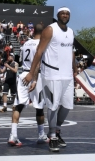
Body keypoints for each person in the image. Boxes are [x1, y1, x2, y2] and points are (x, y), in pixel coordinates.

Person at [23, 8, 76, 152]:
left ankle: (57, 130)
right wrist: (31, 73)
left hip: (67, 74)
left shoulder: (71, 32)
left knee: (67, 105)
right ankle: (52, 136)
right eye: (62, 13)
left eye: (67, 13)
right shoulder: (50, 30)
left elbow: (71, 51)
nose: (65, 15)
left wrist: (75, 69)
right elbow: (39, 51)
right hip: (52, 73)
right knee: (53, 106)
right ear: (58, 15)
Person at [8, 23, 46, 148]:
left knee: (18, 105)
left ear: (33, 31)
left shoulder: (25, 44)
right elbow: (38, 63)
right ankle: (41, 135)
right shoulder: (42, 44)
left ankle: (13, 135)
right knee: (39, 107)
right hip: (35, 75)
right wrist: (34, 80)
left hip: (23, 74)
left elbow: (21, 59)